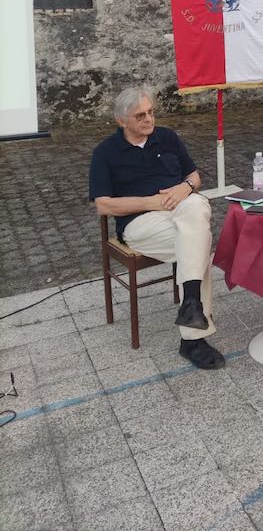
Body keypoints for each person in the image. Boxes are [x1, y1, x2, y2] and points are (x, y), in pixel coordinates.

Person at [89, 87, 225, 369]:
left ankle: (192, 318)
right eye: (140, 115)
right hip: (140, 223)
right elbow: (103, 205)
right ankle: (192, 328)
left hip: (181, 211)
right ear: (121, 120)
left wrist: (185, 187)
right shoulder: (105, 152)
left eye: (151, 112)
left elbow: (194, 176)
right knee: (199, 241)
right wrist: (150, 202)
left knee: (196, 206)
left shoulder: (167, 137)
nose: (149, 119)